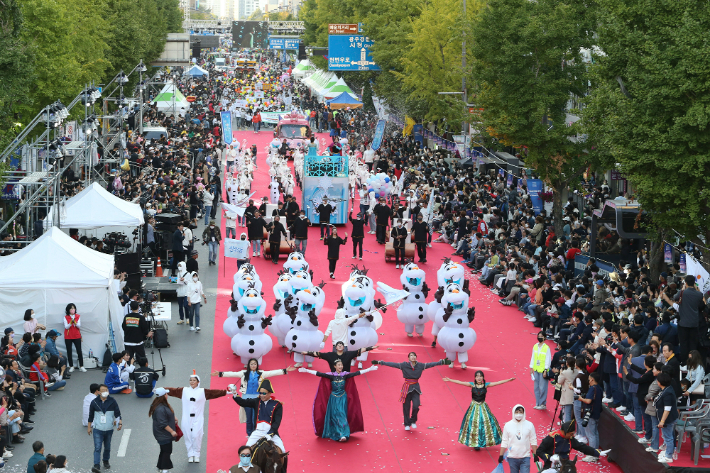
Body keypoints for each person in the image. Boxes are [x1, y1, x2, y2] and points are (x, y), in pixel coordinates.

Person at [298, 361, 378, 442]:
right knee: (335, 416)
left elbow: (357, 373)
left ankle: (344, 434)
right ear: (335, 366)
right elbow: (319, 373)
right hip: (333, 399)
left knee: (342, 415)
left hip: (343, 398)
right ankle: (339, 434)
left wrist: (369, 369)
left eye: (341, 365)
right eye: (339, 365)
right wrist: (307, 370)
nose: (341, 366)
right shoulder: (331, 376)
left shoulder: (345, 375)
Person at [212, 360, 295, 436]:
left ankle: (256, 433)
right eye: (251, 364)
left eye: (255, 364)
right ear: (249, 365)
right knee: (248, 418)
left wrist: (284, 370)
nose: (253, 365)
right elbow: (232, 374)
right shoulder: (243, 373)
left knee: (255, 417)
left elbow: (272, 373)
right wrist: (220, 373)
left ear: (257, 365)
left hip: (257, 398)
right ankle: (249, 434)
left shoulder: (261, 373)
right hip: (246, 398)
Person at [371, 353, 452, 430]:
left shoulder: (420, 365)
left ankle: (413, 420)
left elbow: (431, 364)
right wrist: (380, 362)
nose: (413, 357)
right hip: (407, 388)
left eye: (414, 355)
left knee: (416, 406)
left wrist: (441, 362)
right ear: (408, 358)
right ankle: (406, 424)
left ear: (416, 357)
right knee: (406, 407)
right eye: (411, 355)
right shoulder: (404, 365)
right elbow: (392, 364)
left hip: (416, 388)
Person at [166, 371, 228, 463]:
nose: (191, 382)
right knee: (187, 435)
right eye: (190, 380)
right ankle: (190, 454)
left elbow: (215, 393)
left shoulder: (203, 391)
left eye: (194, 380)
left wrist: (228, 392)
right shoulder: (184, 391)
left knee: (196, 435)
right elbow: (172, 390)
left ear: (198, 382)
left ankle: (197, 454)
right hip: (186, 418)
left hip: (198, 418)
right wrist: (161, 390)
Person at [443, 372, 515, 450]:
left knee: (486, 423)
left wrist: (508, 380)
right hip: (474, 407)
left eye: (480, 376)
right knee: (473, 424)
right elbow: (461, 382)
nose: (479, 378)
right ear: (475, 378)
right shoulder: (472, 385)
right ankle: (475, 443)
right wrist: (450, 380)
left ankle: (484, 441)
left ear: (483, 377)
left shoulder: (486, 385)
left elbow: (497, 383)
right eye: (477, 376)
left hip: (483, 406)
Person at [231, 379, 287, 455]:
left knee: (283, 452)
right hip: (257, 432)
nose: (262, 395)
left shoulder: (277, 405)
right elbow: (243, 402)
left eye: (264, 393)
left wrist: (270, 434)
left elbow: (277, 422)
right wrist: (234, 393)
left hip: (271, 433)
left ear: (270, 393)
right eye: (260, 393)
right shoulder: (257, 401)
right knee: (246, 451)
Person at [661, 274, 703, 363]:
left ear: (686, 283)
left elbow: (675, 298)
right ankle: (693, 362)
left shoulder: (682, 293)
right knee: (693, 344)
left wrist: (683, 289)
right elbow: (701, 304)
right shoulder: (699, 294)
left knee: (683, 344)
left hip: (683, 323)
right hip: (694, 323)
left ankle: (684, 362)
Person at [535, 420, 607, 469]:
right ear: (565, 431)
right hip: (551, 465)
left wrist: (597, 452)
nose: (572, 435)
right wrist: (550, 458)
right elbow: (539, 451)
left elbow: (582, 447)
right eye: (571, 434)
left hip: (565, 466)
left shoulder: (570, 439)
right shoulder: (552, 437)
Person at [87, 384, 122, 473]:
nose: (105, 392)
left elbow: (117, 413)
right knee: (97, 447)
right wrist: (89, 427)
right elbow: (90, 415)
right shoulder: (94, 402)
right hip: (97, 429)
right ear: (98, 392)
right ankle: (96, 465)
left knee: (107, 447)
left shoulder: (112, 401)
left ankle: (105, 460)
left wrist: (119, 423)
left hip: (109, 429)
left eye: (106, 390)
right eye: (102, 390)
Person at [499, 405, 537, 473]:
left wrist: (536, 454)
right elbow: (505, 441)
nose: (519, 414)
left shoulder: (529, 425)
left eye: (520, 412)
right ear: (513, 413)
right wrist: (501, 455)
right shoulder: (508, 425)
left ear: (524, 412)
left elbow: (533, 440)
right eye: (516, 412)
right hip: (512, 457)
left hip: (525, 457)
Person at [150, 387, 177, 473]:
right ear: (164, 396)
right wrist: (172, 431)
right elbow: (163, 424)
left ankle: (160, 465)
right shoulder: (161, 408)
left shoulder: (158, 405)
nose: (167, 394)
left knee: (163, 449)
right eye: (166, 393)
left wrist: (173, 418)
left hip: (160, 433)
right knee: (167, 450)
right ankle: (165, 469)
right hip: (163, 434)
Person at [654, 372, 679, 463]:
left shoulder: (667, 393)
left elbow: (667, 409)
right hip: (667, 418)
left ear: (660, 382)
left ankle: (669, 456)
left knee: (668, 437)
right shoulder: (667, 389)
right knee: (666, 436)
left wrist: (662, 421)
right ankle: (667, 452)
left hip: (668, 419)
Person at [579, 372, 604, 462]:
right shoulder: (599, 388)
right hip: (596, 413)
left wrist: (581, 398)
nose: (588, 381)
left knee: (591, 435)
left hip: (590, 414)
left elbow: (588, 401)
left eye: (589, 379)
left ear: (592, 379)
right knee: (595, 434)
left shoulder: (592, 389)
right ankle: (596, 453)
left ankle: (592, 454)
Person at [530, 331, 551, 409]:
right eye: (539, 336)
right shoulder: (535, 346)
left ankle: (543, 404)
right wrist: (531, 367)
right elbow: (533, 357)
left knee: (542, 387)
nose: (540, 337)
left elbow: (548, 359)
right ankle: (538, 403)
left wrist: (546, 369)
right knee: (536, 387)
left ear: (545, 337)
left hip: (542, 370)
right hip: (536, 369)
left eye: (541, 336)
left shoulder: (546, 348)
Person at [63, 303, 86, 372]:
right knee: (69, 351)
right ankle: (71, 366)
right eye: (71, 308)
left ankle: (81, 366)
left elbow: (79, 326)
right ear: (68, 310)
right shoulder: (66, 317)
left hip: (76, 335)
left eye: (73, 308)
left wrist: (74, 322)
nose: (73, 310)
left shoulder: (78, 316)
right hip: (68, 336)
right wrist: (70, 322)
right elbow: (66, 327)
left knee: (79, 351)